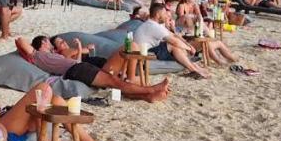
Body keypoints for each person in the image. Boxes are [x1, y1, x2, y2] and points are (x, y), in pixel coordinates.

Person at [16, 35, 168, 103]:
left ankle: (147, 96)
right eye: (47, 41)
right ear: (42, 43)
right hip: (76, 70)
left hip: (78, 67)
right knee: (113, 81)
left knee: (113, 81)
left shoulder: (53, 54)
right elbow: (20, 40)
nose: (50, 43)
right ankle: (150, 90)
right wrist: (35, 49)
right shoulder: (38, 55)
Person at [132, 1, 209, 78]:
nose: (166, 16)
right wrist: (189, 49)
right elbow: (174, 41)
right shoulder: (153, 26)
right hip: (143, 53)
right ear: (158, 14)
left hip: (149, 49)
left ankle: (195, 68)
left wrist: (188, 45)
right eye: (164, 13)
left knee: (176, 46)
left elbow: (174, 35)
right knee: (173, 45)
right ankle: (193, 70)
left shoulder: (154, 24)